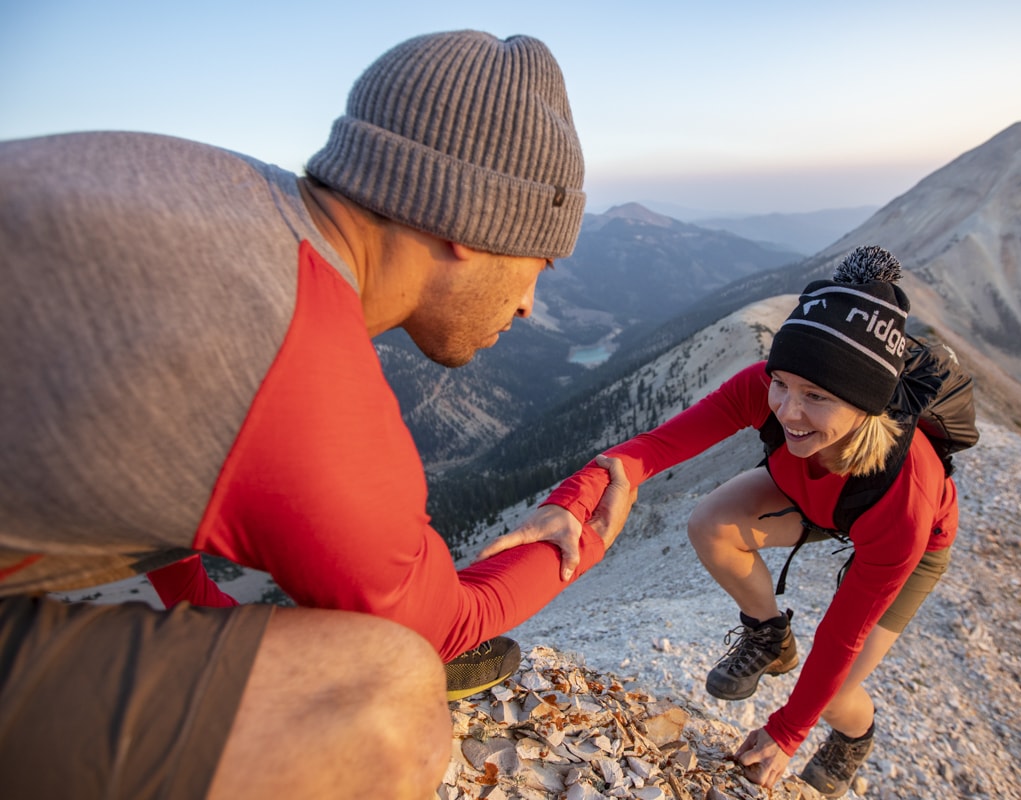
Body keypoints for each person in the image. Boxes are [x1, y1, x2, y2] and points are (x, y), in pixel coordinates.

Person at [0, 29, 635, 799]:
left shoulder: (216, 191)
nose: (533, 300)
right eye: (540, 260)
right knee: (388, 702)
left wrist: (206, 617)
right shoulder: (298, 363)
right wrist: (583, 538)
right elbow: (443, 628)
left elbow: (141, 449)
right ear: (473, 223)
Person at [482, 245, 959, 796]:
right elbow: (654, 448)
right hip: (813, 496)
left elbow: (842, 632)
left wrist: (786, 732)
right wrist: (572, 498)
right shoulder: (766, 390)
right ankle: (770, 634)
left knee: (834, 690)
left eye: (816, 396)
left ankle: (855, 736)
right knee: (710, 523)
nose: (787, 409)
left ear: (867, 405)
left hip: (907, 540)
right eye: (781, 382)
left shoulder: (906, 496)